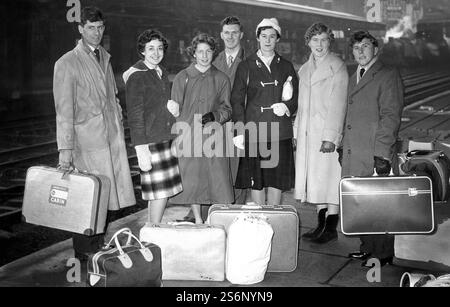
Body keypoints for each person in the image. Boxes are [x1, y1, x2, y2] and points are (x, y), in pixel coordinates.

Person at [53, 7, 136, 260]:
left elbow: (113, 97)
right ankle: (83, 254)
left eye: (100, 27)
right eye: (91, 27)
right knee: (87, 199)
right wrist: (65, 153)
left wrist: (118, 121)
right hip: (87, 144)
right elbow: (64, 112)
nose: (97, 32)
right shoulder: (67, 62)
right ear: (80, 29)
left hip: (109, 139)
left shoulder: (104, 58)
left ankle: (96, 248)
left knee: (106, 197)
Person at [342, 31, 403, 267]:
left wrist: (382, 153)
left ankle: (384, 253)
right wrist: (341, 146)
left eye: (365, 46)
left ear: (375, 49)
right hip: (354, 151)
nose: (360, 51)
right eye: (356, 48)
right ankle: (367, 247)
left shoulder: (387, 74)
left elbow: (390, 116)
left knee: (379, 203)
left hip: (374, 152)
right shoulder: (353, 75)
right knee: (360, 202)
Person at [231, 18, 298, 206]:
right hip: (254, 130)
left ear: (278, 39)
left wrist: (287, 107)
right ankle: (260, 215)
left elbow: (295, 97)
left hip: (280, 131)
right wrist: (239, 131)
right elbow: (236, 100)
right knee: (256, 179)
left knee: (277, 178)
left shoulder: (286, 66)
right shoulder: (246, 65)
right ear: (257, 38)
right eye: (264, 36)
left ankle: (275, 213)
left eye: (272, 36)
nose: (268, 40)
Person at [170, 33, 234, 224]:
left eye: (208, 51)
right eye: (200, 52)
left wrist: (215, 115)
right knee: (193, 179)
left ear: (213, 53)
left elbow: (227, 108)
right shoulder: (183, 77)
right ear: (194, 53)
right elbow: (176, 109)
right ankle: (197, 218)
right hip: (189, 134)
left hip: (214, 135)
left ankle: (213, 218)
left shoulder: (221, 78)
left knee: (217, 177)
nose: (204, 56)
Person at [293, 23, 348, 244]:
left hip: (325, 134)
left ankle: (331, 227)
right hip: (308, 133)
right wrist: (296, 131)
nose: (319, 45)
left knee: (329, 179)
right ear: (308, 42)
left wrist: (331, 137)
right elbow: (300, 104)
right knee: (315, 180)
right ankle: (320, 224)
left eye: (324, 40)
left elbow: (339, 105)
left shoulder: (337, 67)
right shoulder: (304, 69)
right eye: (315, 40)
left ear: (330, 42)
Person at [123, 29, 183, 224]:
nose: (156, 53)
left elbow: (156, 103)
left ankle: (152, 227)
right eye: (151, 49)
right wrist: (141, 148)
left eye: (159, 49)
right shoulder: (137, 75)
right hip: (151, 142)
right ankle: (153, 230)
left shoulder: (160, 72)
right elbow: (135, 116)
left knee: (160, 192)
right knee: (160, 193)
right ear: (142, 51)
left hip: (164, 137)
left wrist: (170, 109)